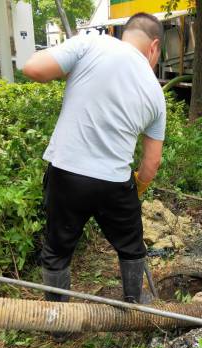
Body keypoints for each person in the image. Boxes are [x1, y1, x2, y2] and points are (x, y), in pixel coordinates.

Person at [23, 13, 166, 311]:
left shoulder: (91, 44)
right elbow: (151, 165)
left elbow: (33, 68)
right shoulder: (155, 92)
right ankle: (133, 303)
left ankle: (58, 320)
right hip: (114, 183)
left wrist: (67, 69)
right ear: (154, 46)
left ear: (126, 33)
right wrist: (135, 190)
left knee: (57, 250)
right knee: (131, 246)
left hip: (67, 174)